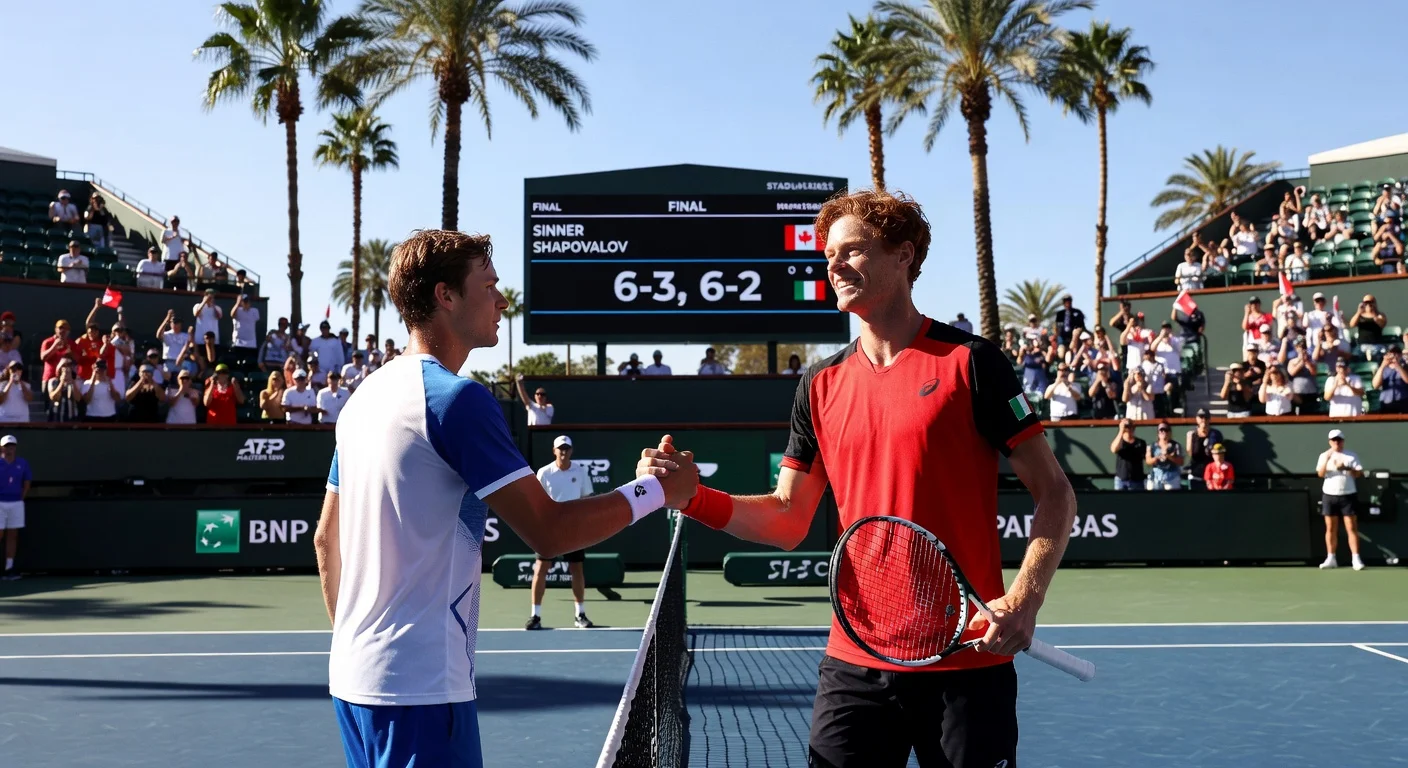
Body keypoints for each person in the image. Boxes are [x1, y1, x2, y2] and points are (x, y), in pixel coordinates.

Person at [633, 192, 1076, 768]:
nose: (834, 265)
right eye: (828, 255)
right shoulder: (818, 386)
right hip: (856, 661)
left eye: (853, 250)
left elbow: (1055, 493)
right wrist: (693, 497)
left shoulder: (972, 362)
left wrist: (1024, 598)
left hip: (967, 666)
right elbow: (789, 519)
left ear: (903, 256)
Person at [312, 230, 697, 768]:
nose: (502, 300)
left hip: (353, 683)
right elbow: (550, 531)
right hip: (422, 692)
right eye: (489, 285)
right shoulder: (455, 401)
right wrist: (657, 490)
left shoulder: (361, 401)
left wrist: (361, 651)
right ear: (446, 296)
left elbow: (325, 539)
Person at [526, 435, 595, 630]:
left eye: (567, 448)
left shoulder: (580, 472)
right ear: (554, 451)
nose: (563, 452)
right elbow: (536, 501)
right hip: (549, 528)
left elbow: (586, 499)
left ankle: (580, 614)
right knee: (541, 568)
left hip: (573, 529)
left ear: (571, 451)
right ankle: (535, 616)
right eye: (560, 449)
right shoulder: (544, 472)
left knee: (577, 569)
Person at [1316, 430, 1366, 571]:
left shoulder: (1351, 456)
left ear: (1343, 441)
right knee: (1331, 528)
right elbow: (1320, 474)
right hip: (1329, 495)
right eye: (1334, 440)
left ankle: (1356, 559)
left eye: (1339, 440)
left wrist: (1346, 467)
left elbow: (1358, 474)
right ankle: (1331, 558)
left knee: (1351, 528)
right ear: (1329, 442)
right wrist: (1327, 459)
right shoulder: (1323, 456)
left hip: (1348, 495)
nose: (1336, 443)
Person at [0, 435, 29, 580]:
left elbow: (26, 482)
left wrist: (20, 498)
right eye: (6, 445)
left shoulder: (22, 463)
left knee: (13, 535)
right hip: (0, 503)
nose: (9, 448)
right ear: (1, 447)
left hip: (16, 503)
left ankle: (9, 567)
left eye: (12, 445)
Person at [1184, 409, 1222, 490]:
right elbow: (1190, 453)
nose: (1203, 420)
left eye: (1206, 417)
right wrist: (1190, 438)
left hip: (1212, 474)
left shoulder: (1215, 434)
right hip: (1196, 472)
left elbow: (1218, 454)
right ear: (1197, 419)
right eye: (1201, 417)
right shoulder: (1192, 434)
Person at [1110, 419, 1147, 491]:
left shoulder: (1140, 443)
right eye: (1127, 427)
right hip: (1121, 479)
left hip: (1137, 479)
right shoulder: (1120, 443)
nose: (1128, 429)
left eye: (1130, 426)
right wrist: (1121, 430)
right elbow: (1113, 449)